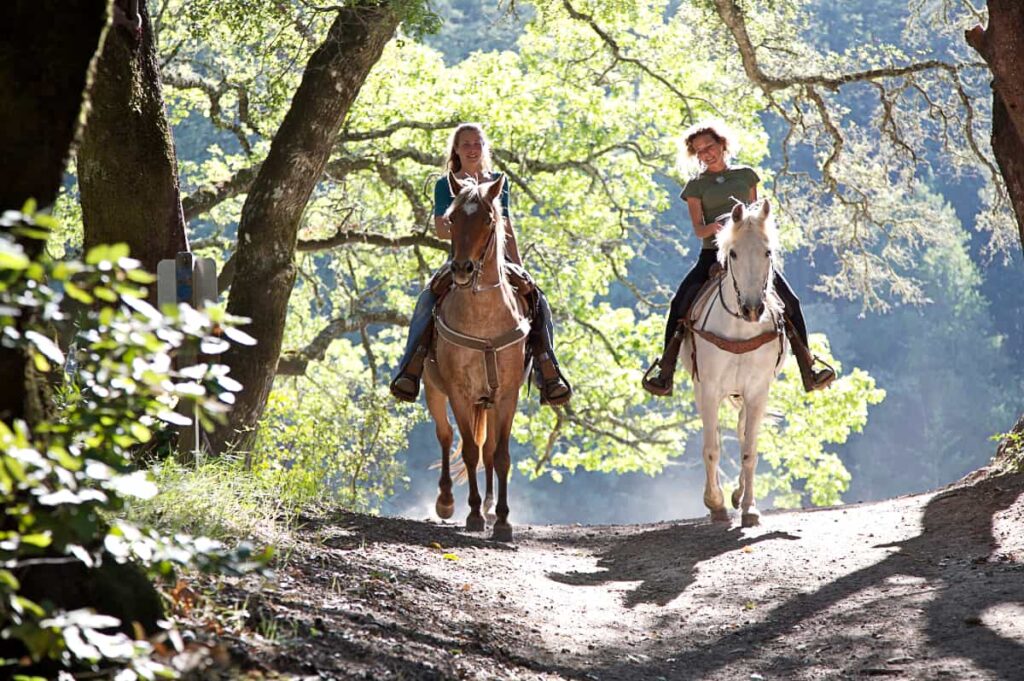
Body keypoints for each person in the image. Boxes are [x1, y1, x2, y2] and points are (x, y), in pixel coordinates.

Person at [642, 120, 836, 396]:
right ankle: (666, 369)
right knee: (679, 302)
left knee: (791, 301)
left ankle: (809, 366)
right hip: (713, 254)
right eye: (699, 151)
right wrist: (722, 225)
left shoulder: (746, 176)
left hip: (748, 254)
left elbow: (756, 217)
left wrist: (747, 230)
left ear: (722, 145)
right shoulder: (696, 186)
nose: (705, 153)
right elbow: (699, 230)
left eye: (709, 146)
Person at [389, 123, 572, 406]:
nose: (472, 149)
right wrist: (467, 222)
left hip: (497, 260)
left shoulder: (498, 182)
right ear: (457, 150)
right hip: (461, 259)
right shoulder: (445, 184)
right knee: (427, 299)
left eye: (477, 143)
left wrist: (520, 266)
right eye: (466, 144)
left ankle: (548, 369)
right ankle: (410, 369)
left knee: (538, 300)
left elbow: (507, 226)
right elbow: (440, 230)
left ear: (484, 148)